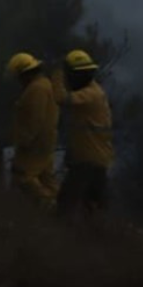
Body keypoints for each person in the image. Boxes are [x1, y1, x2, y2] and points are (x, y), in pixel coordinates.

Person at [51, 49, 115, 220]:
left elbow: (61, 98)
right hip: (95, 159)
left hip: (88, 161)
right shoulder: (94, 91)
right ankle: (99, 238)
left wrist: (57, 72)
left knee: (66, 202)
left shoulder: (90, 94)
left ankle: (65, 239)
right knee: (94, 206)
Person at [5, 52, 59, 209]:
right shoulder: (44, 84)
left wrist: (23, 140)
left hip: (35, 145)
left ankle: (49, 205)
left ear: (25, 73)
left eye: (18, 76)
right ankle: (64, 209)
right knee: (46, 178)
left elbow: (35, 120)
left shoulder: (37, 89)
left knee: (24, 176)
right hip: (45, 142)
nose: (18, 80)